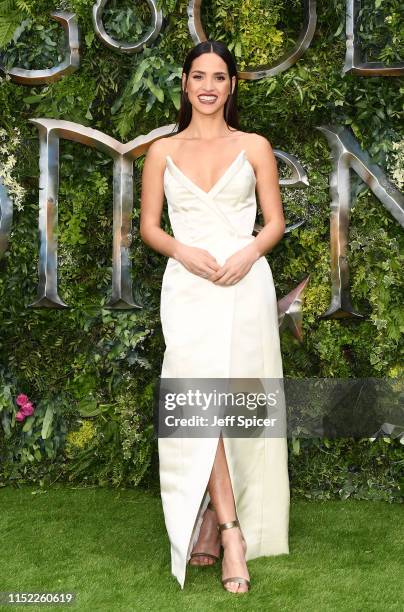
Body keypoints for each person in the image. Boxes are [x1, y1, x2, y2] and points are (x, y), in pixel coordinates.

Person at [140, 39, 289, 595]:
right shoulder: (162, 151)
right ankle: (230, 532)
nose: (208, 86)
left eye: (219, 77)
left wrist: (247, 253)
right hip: (189, 286)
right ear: (185, 83)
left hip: (243, 281)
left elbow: (272, 222)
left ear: (231, 86)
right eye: (198, 75)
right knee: (199, 398)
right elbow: (152, 227)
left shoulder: (254, 145)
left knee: (237, 402)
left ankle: (214, 515)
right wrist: (185, 252)